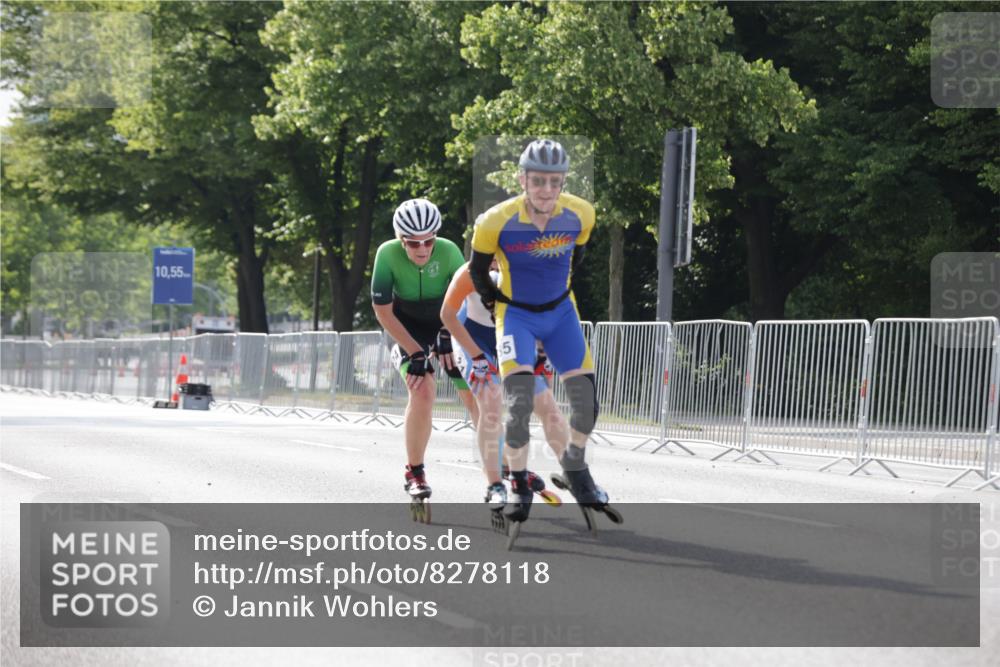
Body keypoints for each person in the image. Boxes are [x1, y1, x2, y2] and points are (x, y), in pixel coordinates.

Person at [469, 139, 610, 524]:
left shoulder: (581, 214)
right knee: (517, 407)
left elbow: (575, 258)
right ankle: (517, 483)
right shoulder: (494, 221)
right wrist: (496, 302)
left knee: (586, 404)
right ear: (522, 179)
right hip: (516, 316)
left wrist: (551, 299)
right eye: (538, 181)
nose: (546, 190)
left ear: (563, 181)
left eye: (554, 181)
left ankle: (575, 471)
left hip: (562, 312)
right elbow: (477, 273)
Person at [371, 198, 475, 520]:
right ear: (401, 241)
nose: (423, 248)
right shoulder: (386, 255)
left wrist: (447, 335)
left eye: (429, 240)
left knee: (472, 392)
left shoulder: (449, 251)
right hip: (407, 331)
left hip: (446, 325)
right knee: (423, 391)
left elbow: (464, 299)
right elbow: (383, 312)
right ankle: (414, 473)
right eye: (414, 243)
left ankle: (500, 471)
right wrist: (415, 351)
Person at [440, 260, 568, 518]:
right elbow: (446, 315)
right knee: (490, 404)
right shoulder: (469, 273)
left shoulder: (530, 270)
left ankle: (575, 472)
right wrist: (476, 358)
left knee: (545, 405)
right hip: (472, 338)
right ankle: (494, 484)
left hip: (511, 338)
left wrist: (542, 357)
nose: (497, 261)